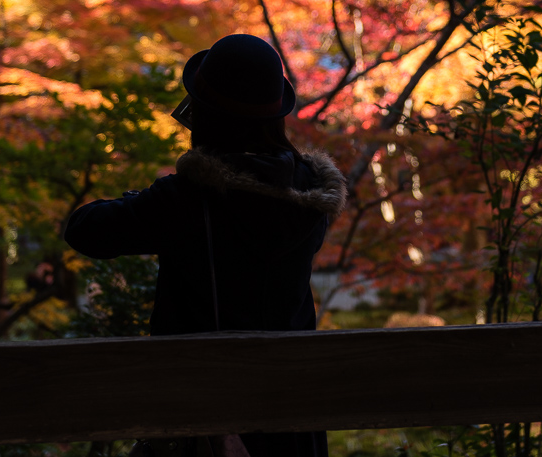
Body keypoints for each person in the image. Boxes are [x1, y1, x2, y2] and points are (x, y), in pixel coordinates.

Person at [64, 34, 346, 457]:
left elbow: (83, 229)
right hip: (293, 421)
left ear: (205, 116)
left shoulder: (186, 201)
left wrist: (148, 199)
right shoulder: (312, 197)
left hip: (204, 422)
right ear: (275, 115)